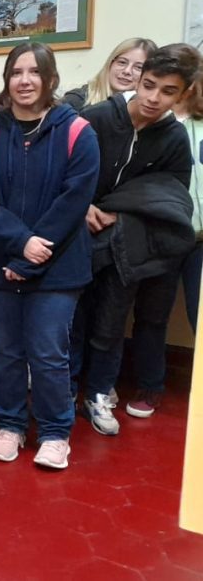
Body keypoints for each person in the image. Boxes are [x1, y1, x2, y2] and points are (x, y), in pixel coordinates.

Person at [0, 42, 99, 470]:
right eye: (17, 72)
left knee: (49, 351)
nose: (25, 80)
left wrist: (30, 256)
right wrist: (19, 245)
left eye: (35, 72)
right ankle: (11, 424)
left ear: (50, 79)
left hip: (57, 265)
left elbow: (74, 204)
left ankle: (56, 432)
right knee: (6, 350)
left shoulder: (78, 133)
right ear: (6, 79)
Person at [78, 44, 199, 433]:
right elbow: (63, 172)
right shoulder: (96, 118)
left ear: (183, 95)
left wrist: (122, 212)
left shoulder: (174, 139)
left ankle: (98, 392)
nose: (154, 98)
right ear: (139, 78)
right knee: (72, 315)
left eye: (168, 92)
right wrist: (83, 206)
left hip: (128, 245)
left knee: (112, 320)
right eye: (149, 85)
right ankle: (64, 389)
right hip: (77, 237)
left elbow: (168, 198)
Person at [61, 38, 158, 112]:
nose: (127, 71)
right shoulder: (75, 100)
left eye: (138, 67)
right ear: (110, 63)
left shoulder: (149, 110)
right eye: (122, 62)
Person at [177, 73, 203, 331]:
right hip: (165, 236)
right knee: (152, 316)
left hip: (200, 240)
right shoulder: (155, 122)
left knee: (200, 315)